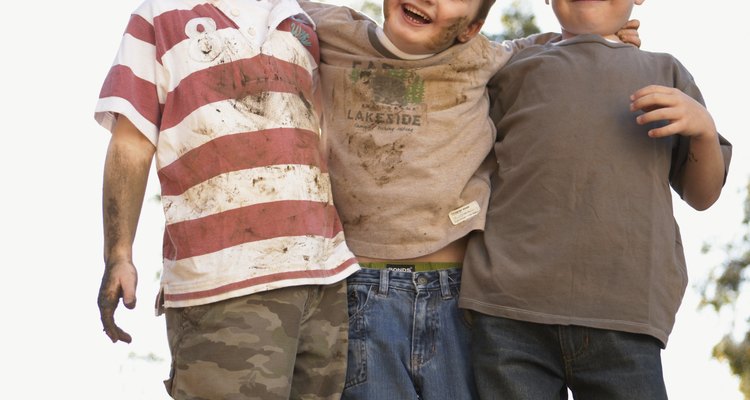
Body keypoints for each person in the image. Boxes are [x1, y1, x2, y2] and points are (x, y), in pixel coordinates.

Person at [297, 1, 639, 399]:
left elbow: (550, 47)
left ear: (470, 29)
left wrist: (602, 39)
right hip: (361, 294)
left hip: (458, 297)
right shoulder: (334, 31)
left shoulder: (481, 58)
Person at [459, 0, 733, 399]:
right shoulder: (509, 70)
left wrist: (704, 130)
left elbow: (702, 195)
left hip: (625, 316)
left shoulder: (665, 72)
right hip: (507, 311)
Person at [93, 0, 360, 399]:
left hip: (324, 278)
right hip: (222, 282)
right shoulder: (161, 15)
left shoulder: (301, 21)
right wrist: (118, 254)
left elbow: (323, 138)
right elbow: (131, 144)